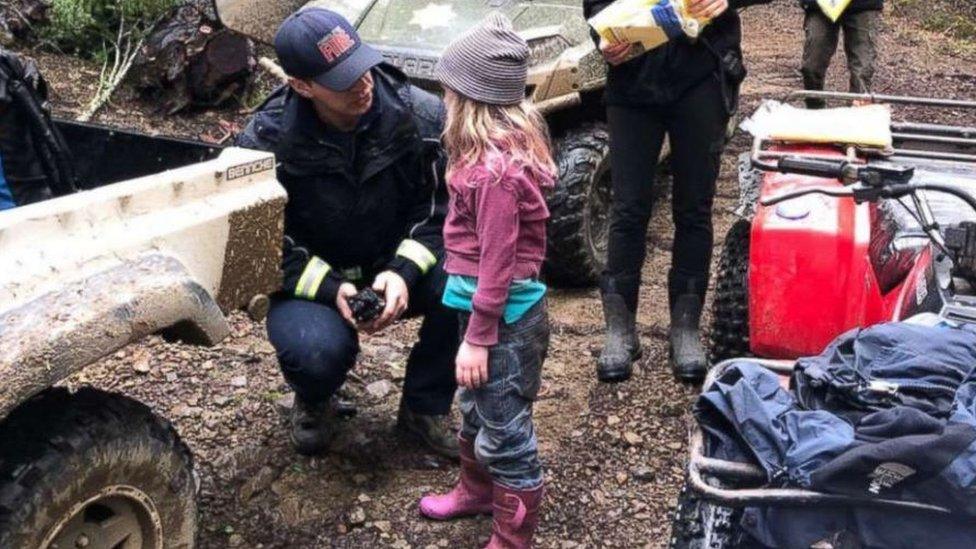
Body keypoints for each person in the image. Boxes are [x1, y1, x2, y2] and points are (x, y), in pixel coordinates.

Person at [237, 8, 460, 458]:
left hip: (391, 260)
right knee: (314, 352)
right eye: (342, 80)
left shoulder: (421, 115)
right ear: (301, 86)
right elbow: (255, 242)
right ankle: (316, 396)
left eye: (363, 67)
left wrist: (402, 272)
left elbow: (442, 209)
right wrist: (331, 288)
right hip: (313, 277)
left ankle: (424, 407)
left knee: (466, 288)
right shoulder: (263, 143)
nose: (363, 85)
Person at [416, 13, 556, 548]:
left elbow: (496, 265)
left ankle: (512, 535)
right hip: (480, 308)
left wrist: (478, 337)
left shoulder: (495, 176)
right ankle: (476, 490)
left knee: (504, 424)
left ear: (468, 98)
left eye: (448, 91)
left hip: (501, 320)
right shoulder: (481, 161)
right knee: (475, 408)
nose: (442, 100)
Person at [583, 0, 770, 384]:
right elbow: (596, 7)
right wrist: (601, 39)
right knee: (628, 206)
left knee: (694, 208)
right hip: (633, 78)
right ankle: (620, 329)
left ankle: (685, 329)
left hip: (701, 77)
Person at [800, 0, 882, 108]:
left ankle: (855, 118)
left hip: (863, 6)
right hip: (819, 6)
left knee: (862, 73)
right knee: (811, 67)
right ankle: (815, 113)